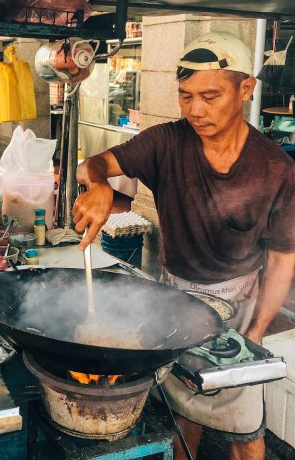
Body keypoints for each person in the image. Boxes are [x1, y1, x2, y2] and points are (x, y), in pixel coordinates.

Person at [73, 31, 295, 460]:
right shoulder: (166, 142)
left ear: (245, 89)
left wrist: (255, 332)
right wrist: (98, 183)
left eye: (210, 96)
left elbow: (284, 257)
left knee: (245, 430)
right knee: (181, 414)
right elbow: (94, 163)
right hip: (174, 300)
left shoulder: (277, 168)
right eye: (185, 95)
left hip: (241, 303)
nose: (195, 109)